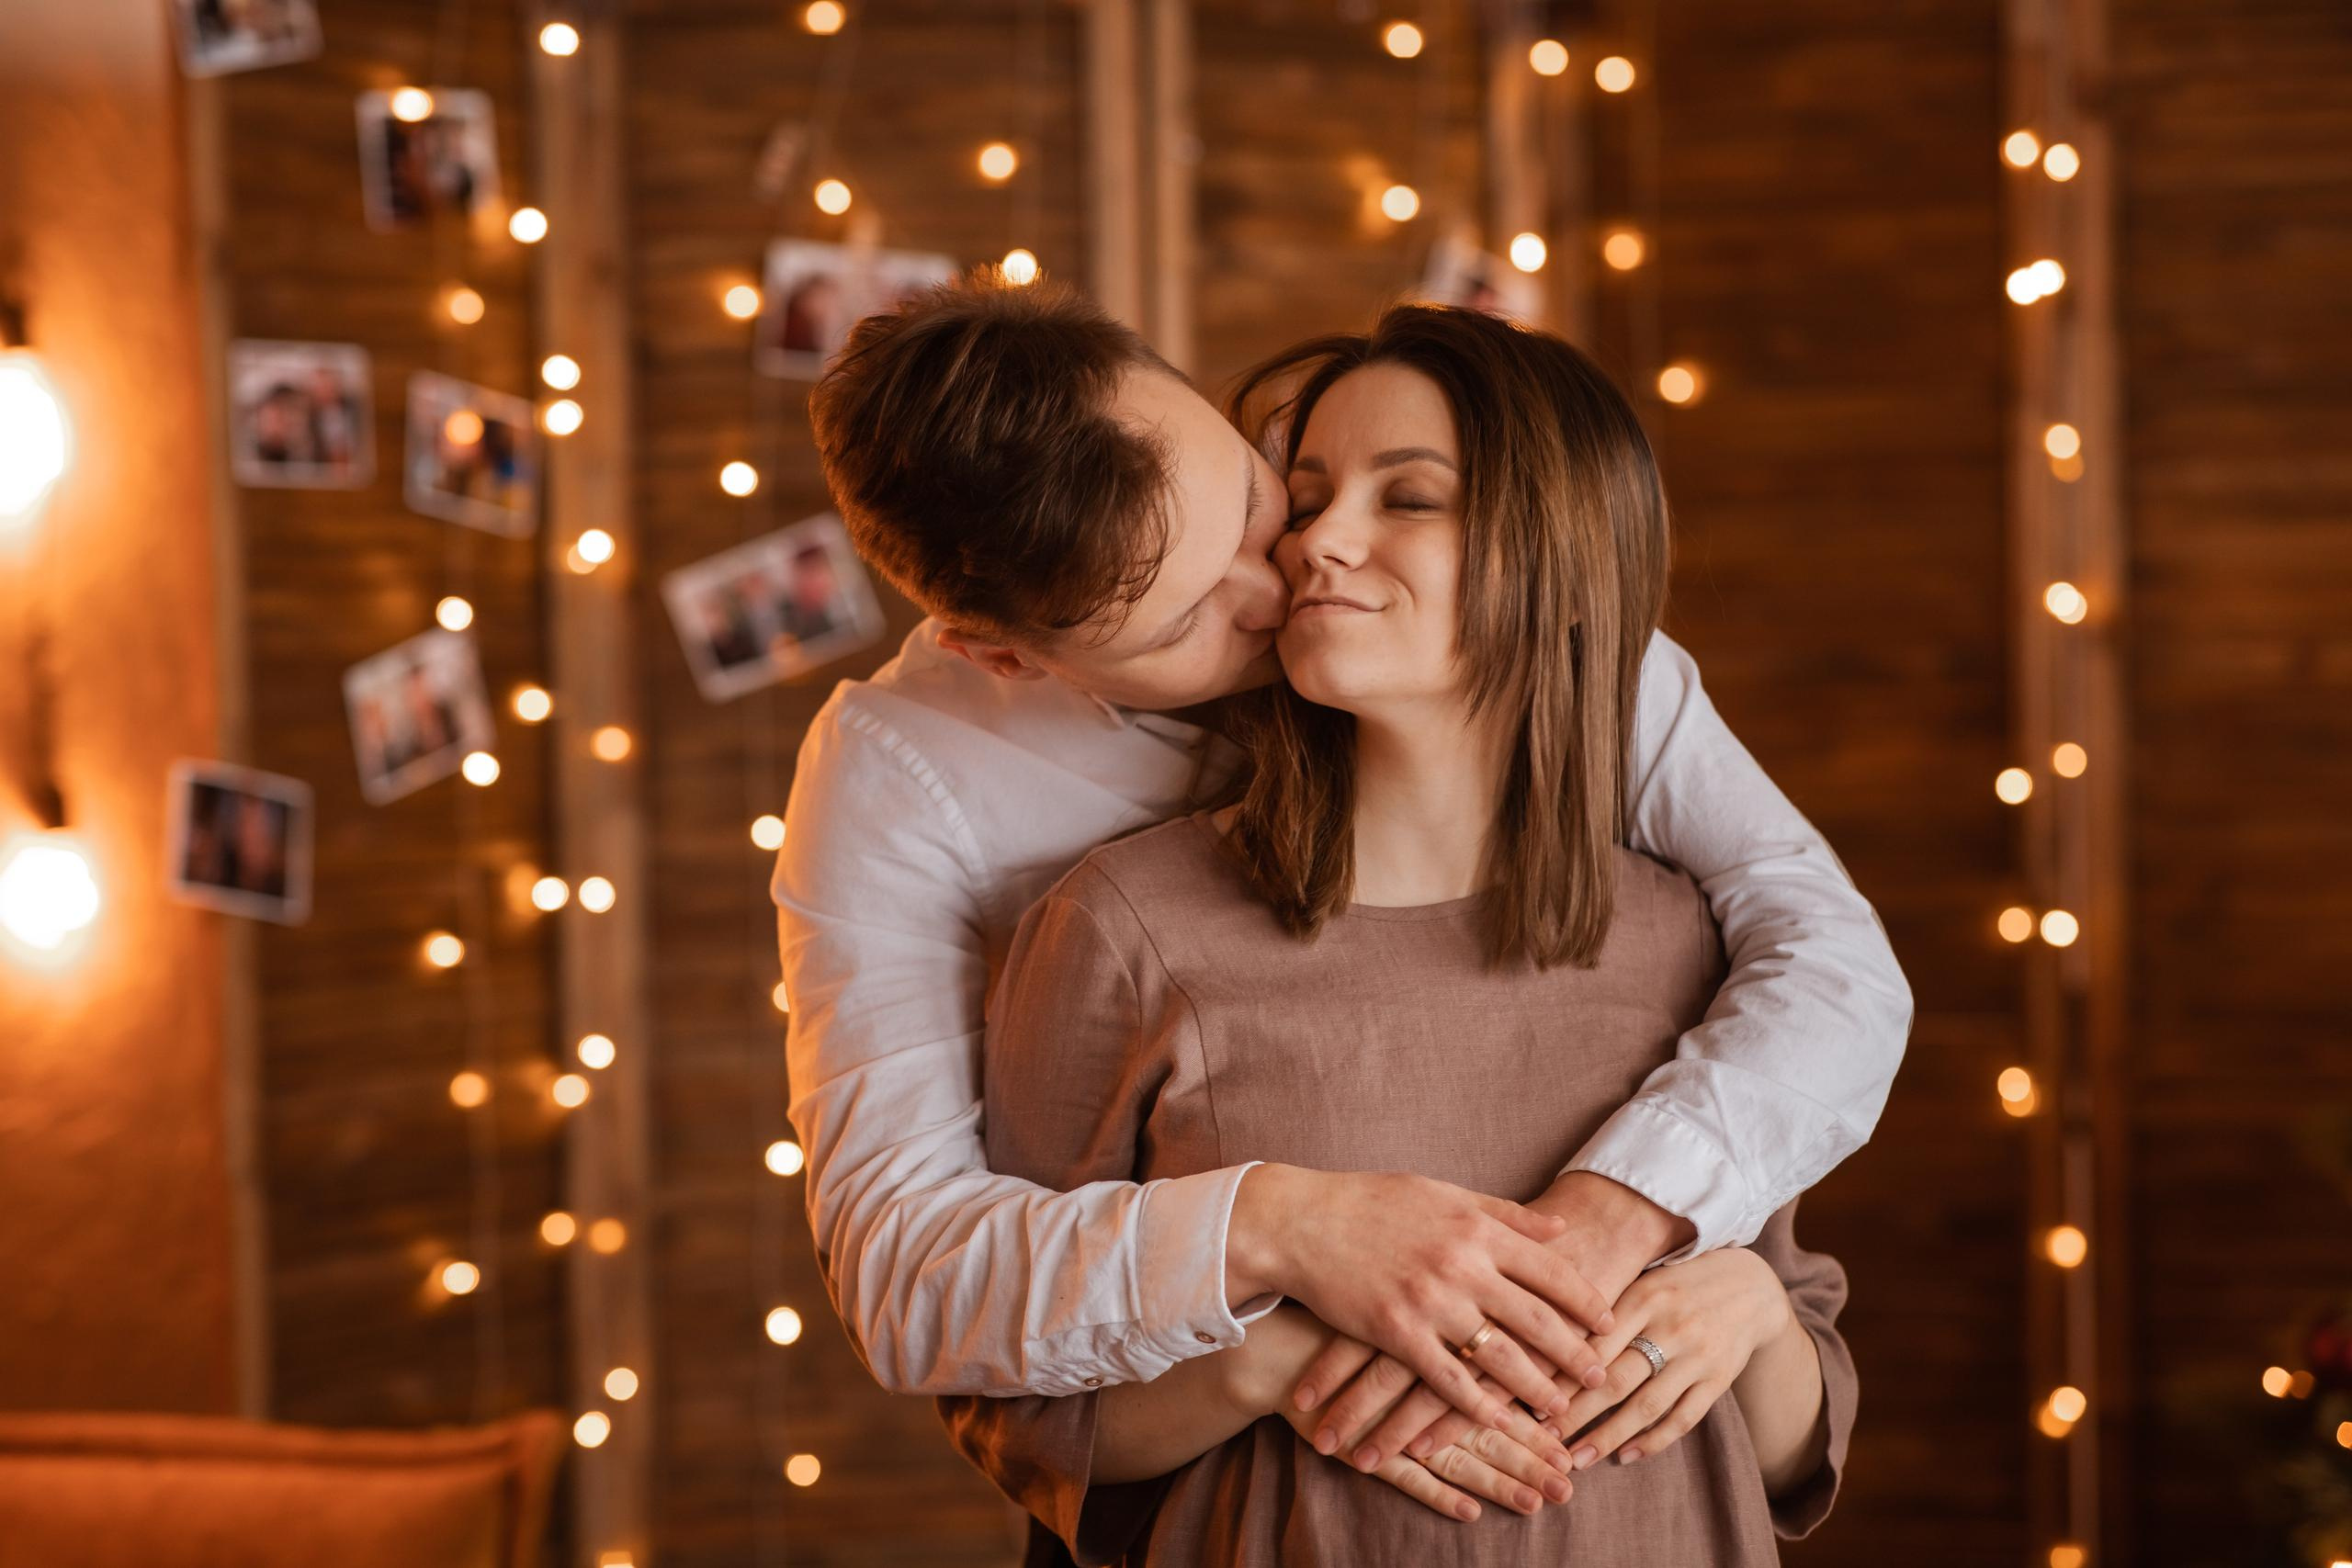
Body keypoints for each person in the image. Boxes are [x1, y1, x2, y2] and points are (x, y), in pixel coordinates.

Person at [775, 277, 1908, 1489]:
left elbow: (1832, 960)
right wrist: (1289, 1236)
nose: (1291, 577)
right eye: (1183, 622)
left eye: (1259, 504)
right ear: (1002, 657)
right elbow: (907, 1274)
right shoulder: (901, 783)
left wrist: (1606, 1231)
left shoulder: (1476, 611)